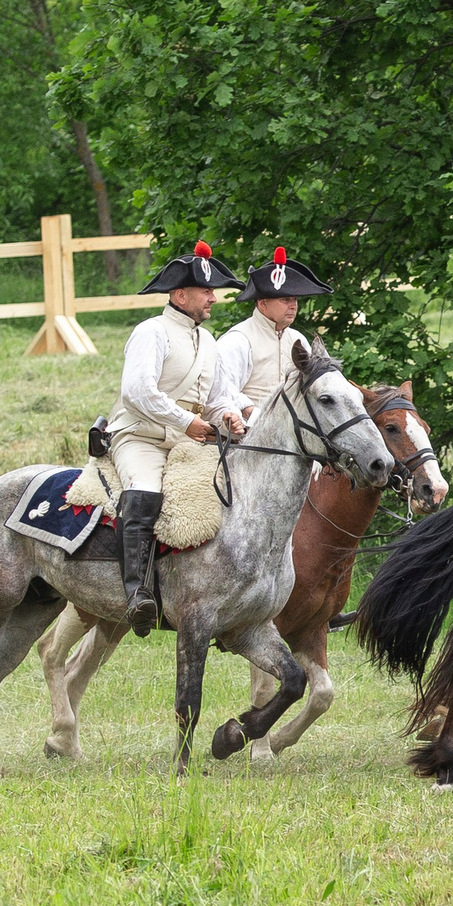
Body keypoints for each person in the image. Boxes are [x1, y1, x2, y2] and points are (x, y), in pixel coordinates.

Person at [105, 241, 246, 634]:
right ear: (181, 295)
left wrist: (229, 417)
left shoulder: (210, 340)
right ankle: (137, 593)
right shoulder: (151, 331)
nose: (213, 299)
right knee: (146, 491)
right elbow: (137, 391)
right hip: (141, 436)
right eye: (206, 292)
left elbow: (216, 401)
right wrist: (186, 421)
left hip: (188, 440)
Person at [217, 246, 332, 419]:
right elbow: (223, 389)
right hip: (247, 434)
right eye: (285, 299)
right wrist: (256, 416)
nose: (293, 305)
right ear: (262, 304)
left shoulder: (297, 339)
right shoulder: (238, 339)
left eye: (295, 300)